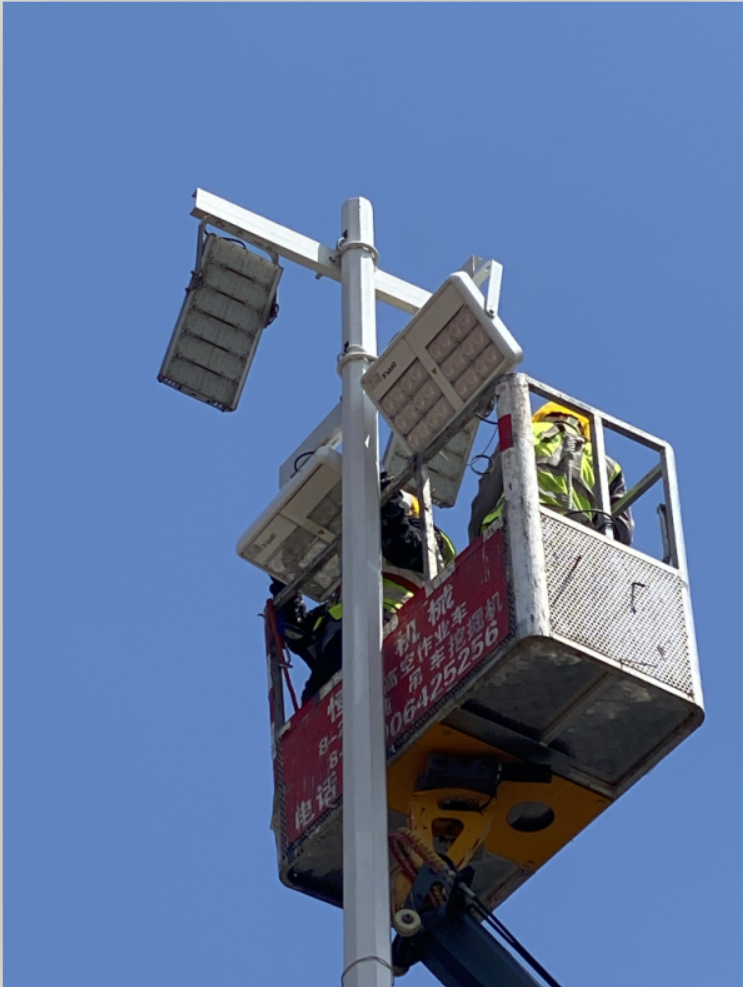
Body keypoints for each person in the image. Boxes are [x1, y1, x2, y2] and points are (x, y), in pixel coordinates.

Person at [272, 480, 455, 704]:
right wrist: (284, 579)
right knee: (315, 700)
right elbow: (297, 633)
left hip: (392, 628)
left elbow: (403, 546)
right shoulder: (343, 597)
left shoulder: (429, 537)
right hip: (349, 640)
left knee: (322, 698)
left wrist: (388, 503)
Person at [468, 402, 634, 545]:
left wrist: (476, 541)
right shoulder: (606, 463)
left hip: (508, 528)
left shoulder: (522, 433)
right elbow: (621, 531)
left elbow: (488, 493)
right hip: (576, 539)